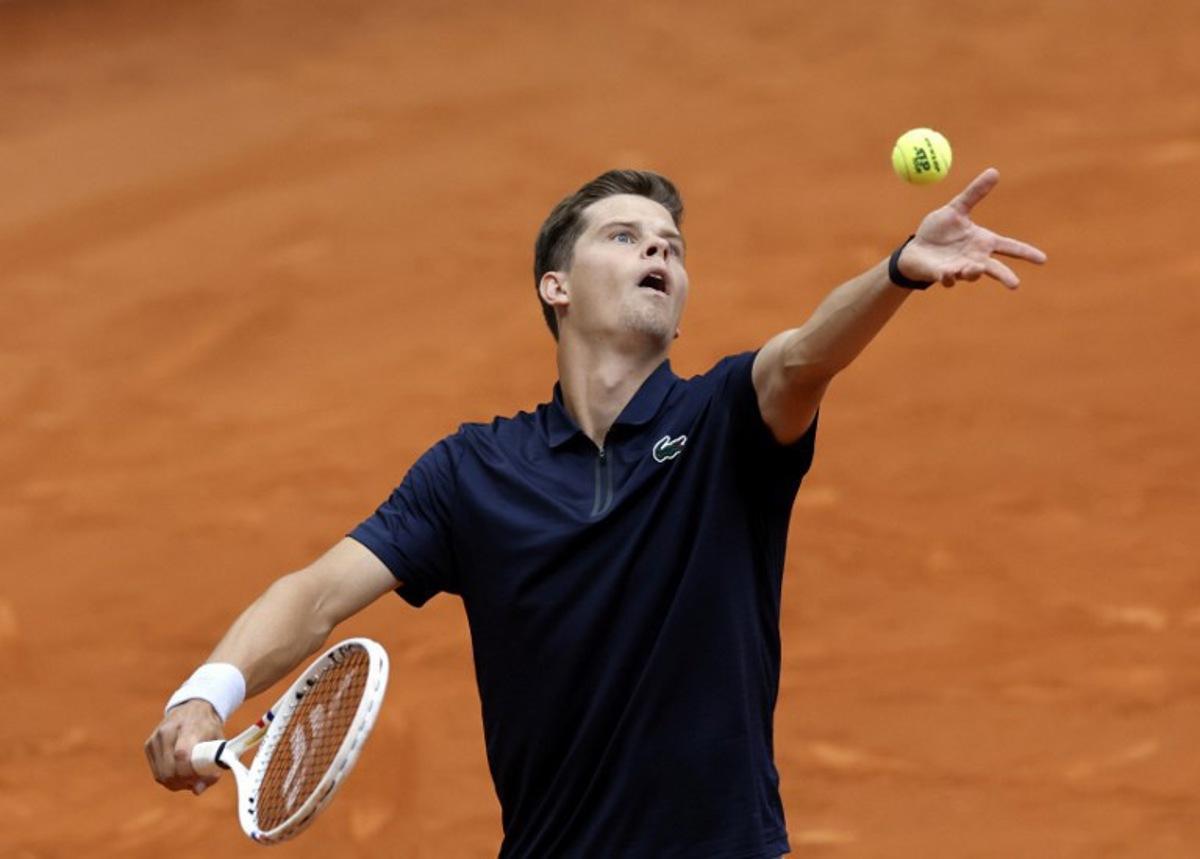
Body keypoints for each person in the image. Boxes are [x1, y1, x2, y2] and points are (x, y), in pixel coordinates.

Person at [145, 168, 1045, 857]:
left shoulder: (725, 418)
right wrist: (204, 695)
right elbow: (317, 593)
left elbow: (805, 356)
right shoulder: (473, 470)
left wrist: (897, 273)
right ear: (556, 287)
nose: (661, 252)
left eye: (672, 245)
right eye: (625, 236)